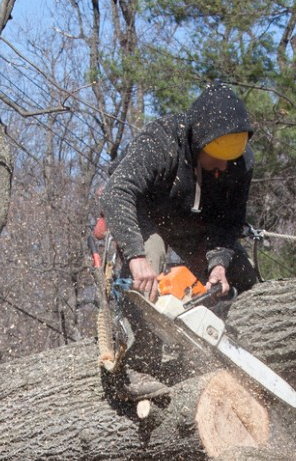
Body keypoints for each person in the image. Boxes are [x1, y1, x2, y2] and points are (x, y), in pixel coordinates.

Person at [101, 83, 259, 302]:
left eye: (228, 160)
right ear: (198, 143)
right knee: (148, 274)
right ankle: (129, 326)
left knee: (243, 280)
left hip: (194, 223)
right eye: (215, 158)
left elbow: (229, 223)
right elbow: (116, 191)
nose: (222, 167)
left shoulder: (240, 163)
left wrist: (219, 264)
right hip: (147, 213)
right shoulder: (161, 141)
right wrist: (135, 256)